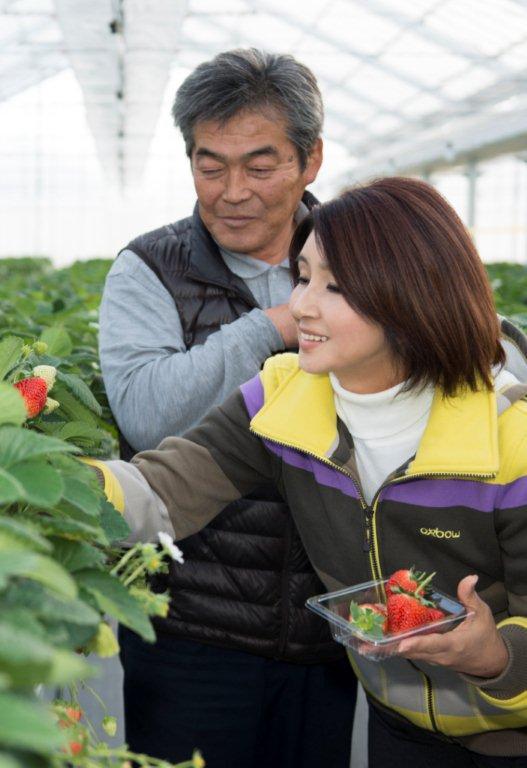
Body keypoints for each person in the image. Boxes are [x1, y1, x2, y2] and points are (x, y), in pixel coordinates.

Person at [92, 176, 527, 767]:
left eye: (335, 286)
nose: (299, 306)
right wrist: (48, 485)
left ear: (411, 294)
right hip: (397, 724)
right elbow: (164, 486)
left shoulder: (510, 433)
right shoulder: (285, 397)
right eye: (302, 276)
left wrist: (492, 656)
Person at [98, 49, 357, 768]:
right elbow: (150, 418)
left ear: (310, 160)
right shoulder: (149, 270)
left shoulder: (365, 258)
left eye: (259, 165)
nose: (232, 191)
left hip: (327, 625)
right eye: (210, 166)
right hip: (190, 630)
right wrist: (275, 326)